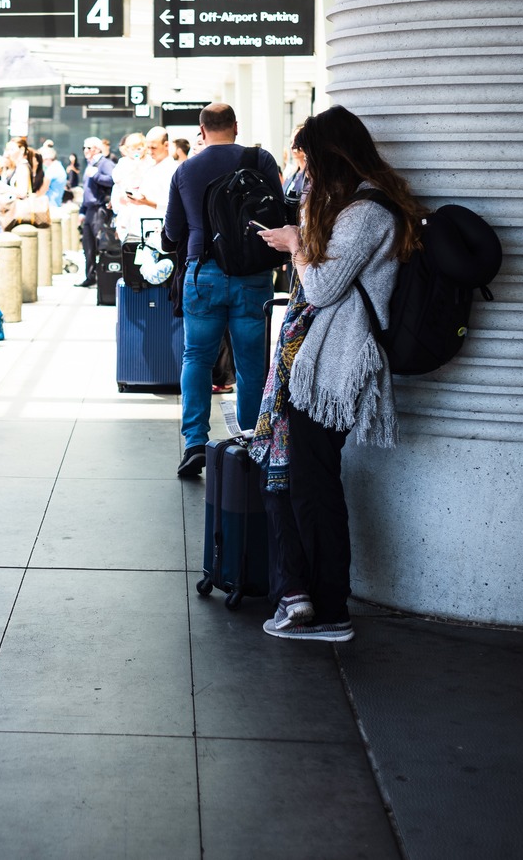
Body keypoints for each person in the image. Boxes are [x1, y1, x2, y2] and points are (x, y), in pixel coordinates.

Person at [250, 105, 423, 642]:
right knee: (308, 480)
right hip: (321, 361)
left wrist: (295, 244)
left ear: (333, 157)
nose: (307, 173)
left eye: (310, 161)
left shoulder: (367, 212)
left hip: (337, 365)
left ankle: (330, 611)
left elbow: (324, 288)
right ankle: (313, 600)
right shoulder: (354, 206)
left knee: (314, 486)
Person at [162, 103, 284, 478]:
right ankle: (247, 444)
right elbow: (279, 212)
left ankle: (195, 443)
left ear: (201, 130)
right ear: (235, 125)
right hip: (252, 276)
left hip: (204, 274)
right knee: (251, 364)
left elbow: (171, 234)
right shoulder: (259, 159)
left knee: (196, 358)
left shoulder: (185, 170)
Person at [116, 126, 178, 227]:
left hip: (159, 227)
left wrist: (146, 202)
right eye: (148, 147)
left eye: (153, 147)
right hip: (142, 226)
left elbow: (173, 205)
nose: (150, 151)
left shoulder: (171, 169)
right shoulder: (150, 165)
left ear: (166, 145)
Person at [78, 137, 114, 287]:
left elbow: (113, 179)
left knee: (101, 244)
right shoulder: (90, 165)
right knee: (88, 245)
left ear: (97, 149)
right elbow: (87, 190)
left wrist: (97, 175)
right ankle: (90, 275)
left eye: (89, 148)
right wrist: (82, 210)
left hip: (100, 209)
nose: (86, 151)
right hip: (90, 209)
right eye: (84, 148)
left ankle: (104, 277)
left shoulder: (105, 163)